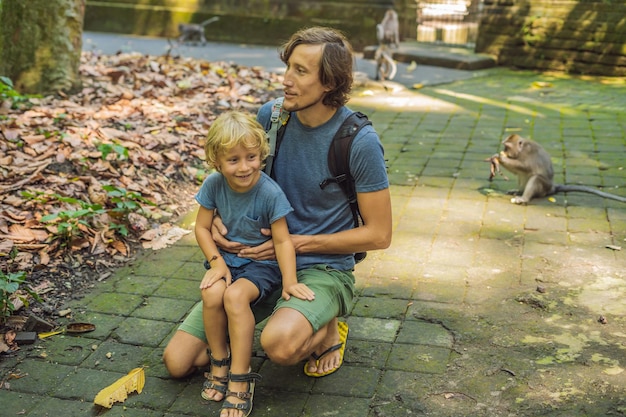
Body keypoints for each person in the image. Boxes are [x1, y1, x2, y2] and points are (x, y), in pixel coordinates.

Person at [163, 24, 391, 389]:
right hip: (258, 265)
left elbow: (379, 235)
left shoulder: (358, 141)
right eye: (287, 67)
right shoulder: (271, 117)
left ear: (330, 82)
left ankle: (329, 328)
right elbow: (241, 180)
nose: (286, 79)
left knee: (279, 346)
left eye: (300, 71)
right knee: (179, 362)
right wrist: (219, 217)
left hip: (322, 267)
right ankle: (279, 313)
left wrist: (296, 243)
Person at [193, 110, 314, 417]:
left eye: (251, 157)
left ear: (262, 154)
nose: (244, 167)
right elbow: (201, 228)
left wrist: (290, 281)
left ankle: (240, 375)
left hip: (261, 267)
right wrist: (217, 263)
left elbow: (283, 240)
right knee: (211, 294)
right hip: (227, 261)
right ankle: (219, 360)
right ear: (217, 162)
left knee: (234, 297)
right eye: (233, 160)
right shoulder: (214, 185)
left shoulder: (270, 192)